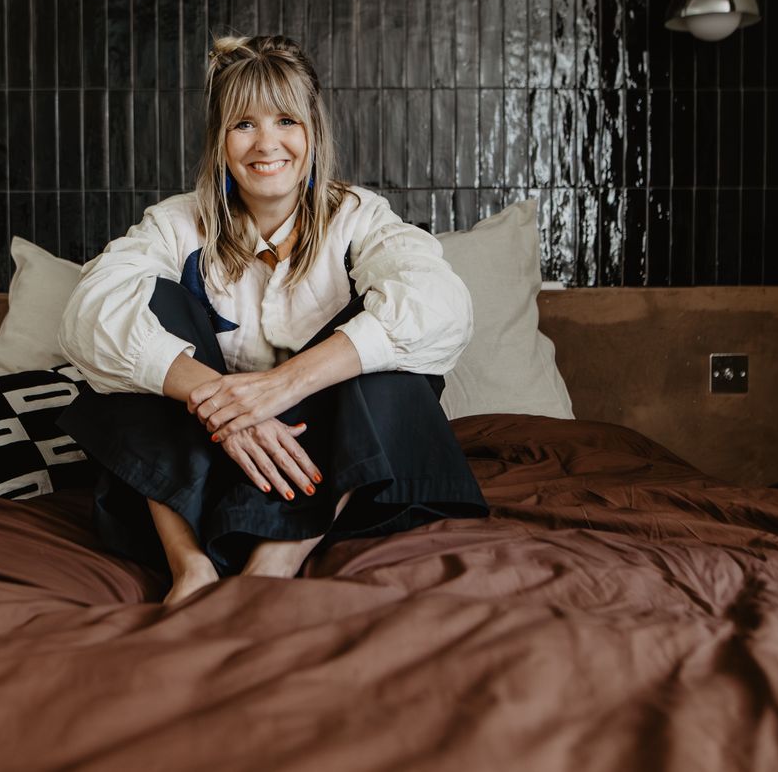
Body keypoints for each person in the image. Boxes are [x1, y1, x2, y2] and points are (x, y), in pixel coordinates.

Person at [57, 35, 487, 604]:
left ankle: (274, 562)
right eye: (244, 124)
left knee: (397, 352)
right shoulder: (175, 224)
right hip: (199, 468)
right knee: (140, 324)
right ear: (220, 140)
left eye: (286, 120)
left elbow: (441, 306)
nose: (267, 144)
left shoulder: (359, 217)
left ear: (313, 132)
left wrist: (283, 385)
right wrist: (222, 405)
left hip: (329, 468)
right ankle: (190, 566)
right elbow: (87, 316)